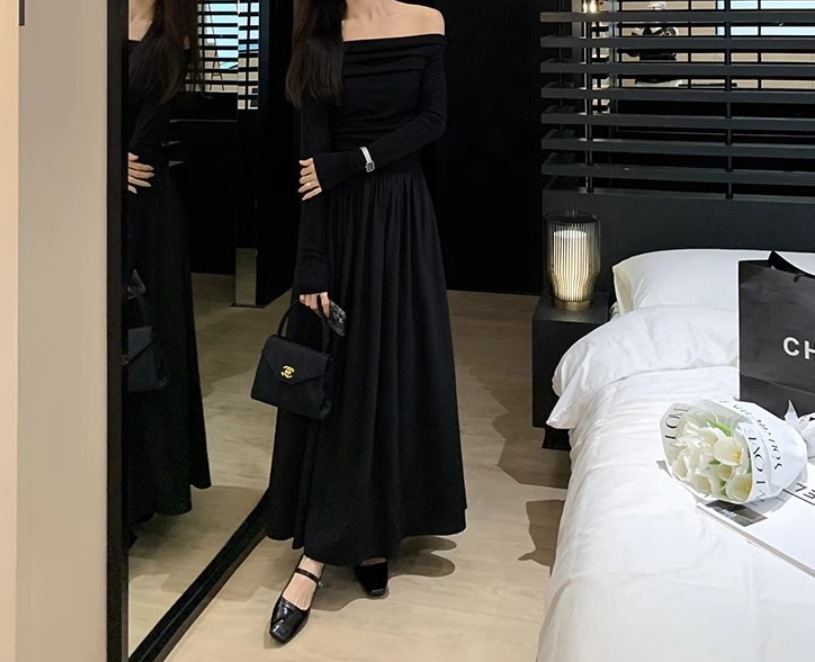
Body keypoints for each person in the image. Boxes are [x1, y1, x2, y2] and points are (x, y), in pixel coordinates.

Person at [265, 0, 467, 644]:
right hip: (341, 228)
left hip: (402, 220)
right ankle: (317, 554)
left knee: (395, 373)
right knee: (344, 383)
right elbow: (310, 166)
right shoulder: (319, 32)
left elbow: (432, 120)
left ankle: (377, 532)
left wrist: (356, 161)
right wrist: (312, 265)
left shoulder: (427, 21)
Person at [125, 0, 211, 531]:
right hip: (87, 194)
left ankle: (143, 492)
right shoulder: (89, 23)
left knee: (147, 344)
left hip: (148, 208)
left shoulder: (173, 33)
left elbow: (142, 146)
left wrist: (109, 165)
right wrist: (100, 164)